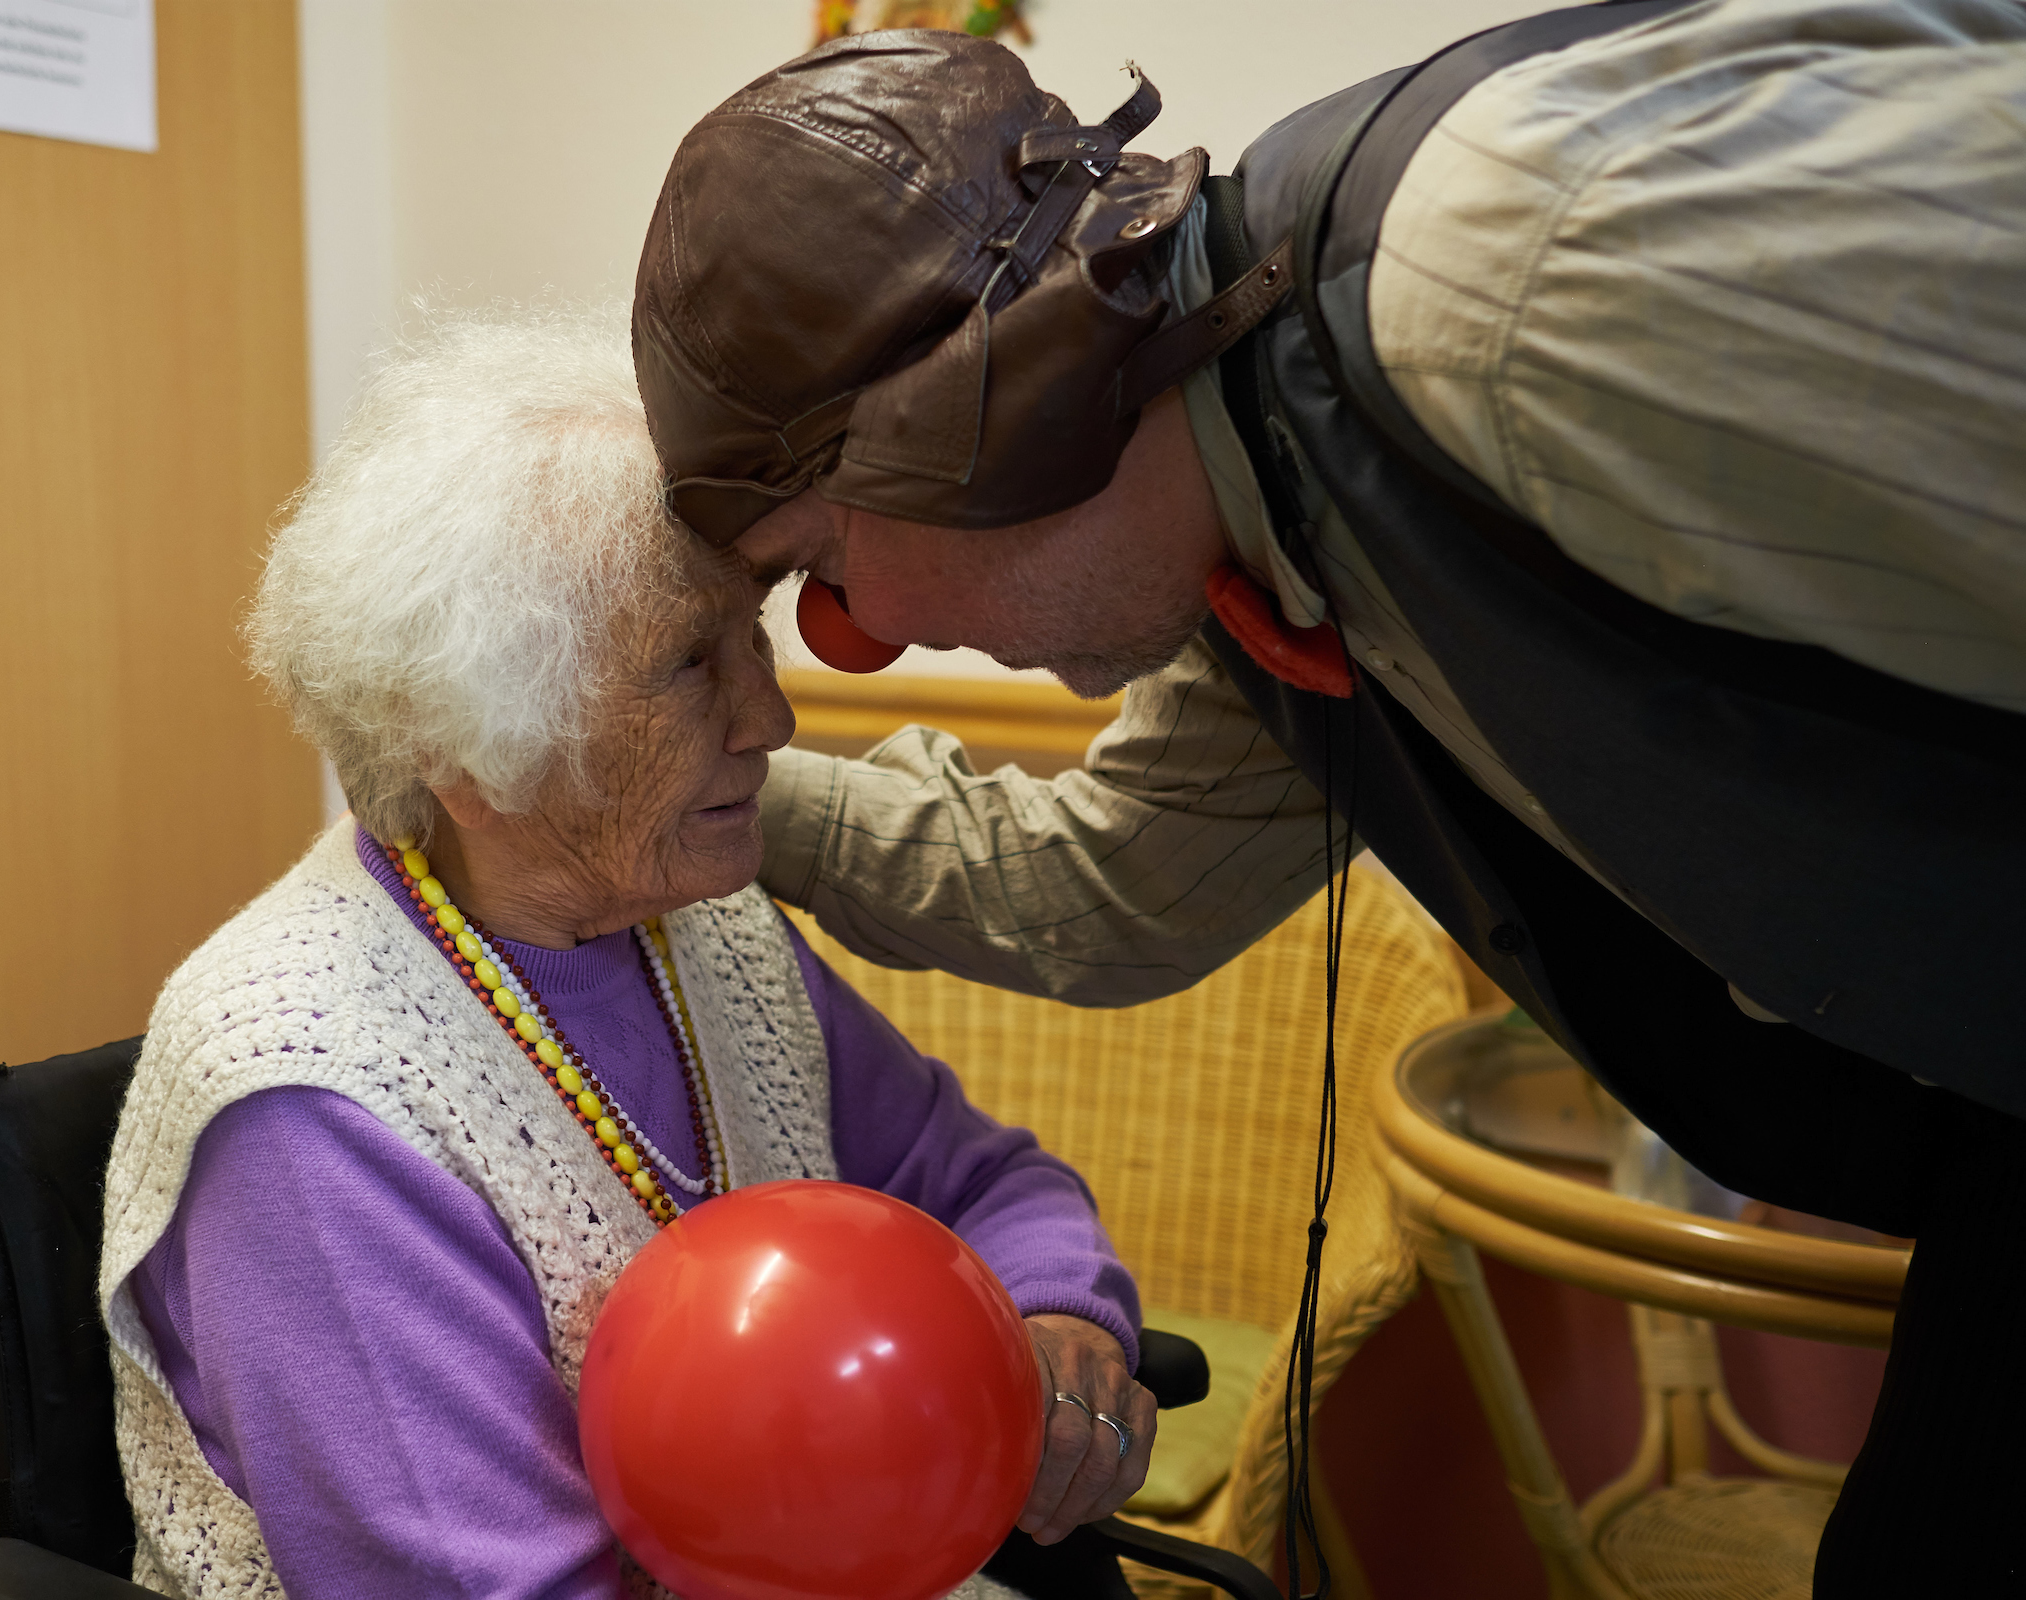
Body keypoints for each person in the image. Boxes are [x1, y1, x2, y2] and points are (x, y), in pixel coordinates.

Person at [629, 5, 2026, 1592]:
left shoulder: (1505, 267)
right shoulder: (1264, 555)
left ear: (952, 424)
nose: (852, 641)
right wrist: (707, 794)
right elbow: (1096, 890)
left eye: (815, 563)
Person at [95, 311, 1158, 1600]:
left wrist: (1055, 1315)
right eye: (687, 665)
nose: (770, 716)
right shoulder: (311, 1101)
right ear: (477, 752)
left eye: (749, 636)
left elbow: (983, 1180)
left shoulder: (697, 927)